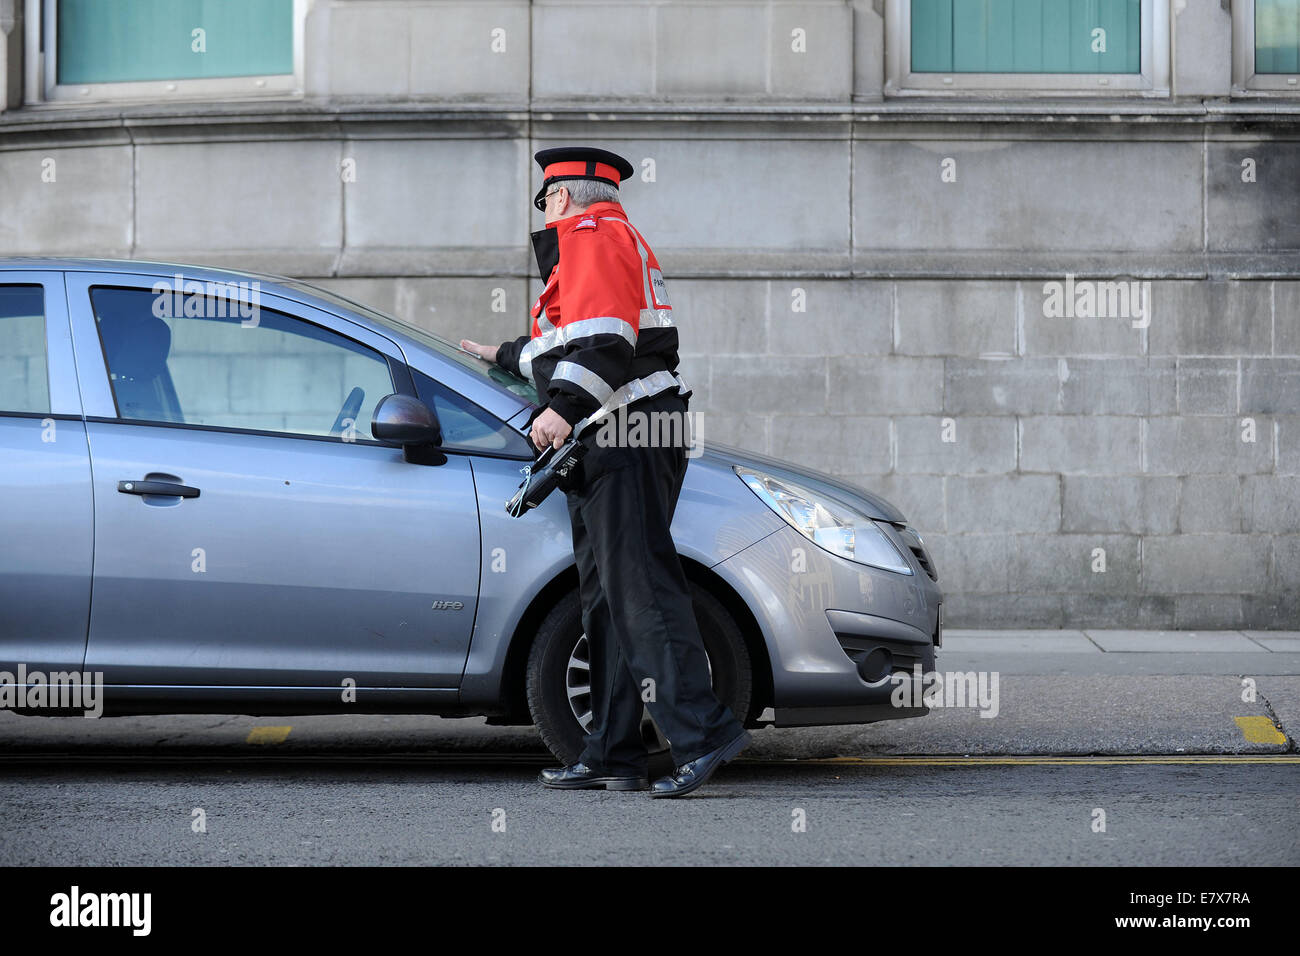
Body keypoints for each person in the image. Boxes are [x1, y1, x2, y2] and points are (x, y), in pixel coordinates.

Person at [460, 146, 750, 797]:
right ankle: (613, 751)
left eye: (545, 199)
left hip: (626, 432)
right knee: (609, 596)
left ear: (562, 197)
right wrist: (502, 353)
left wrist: (562, 409)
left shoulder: (590, 235)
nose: (545, 211)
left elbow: (606, 344)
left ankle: (703, 733)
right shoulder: (608, 242)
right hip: (624, 433)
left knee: (642, 589)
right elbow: (571, 340)